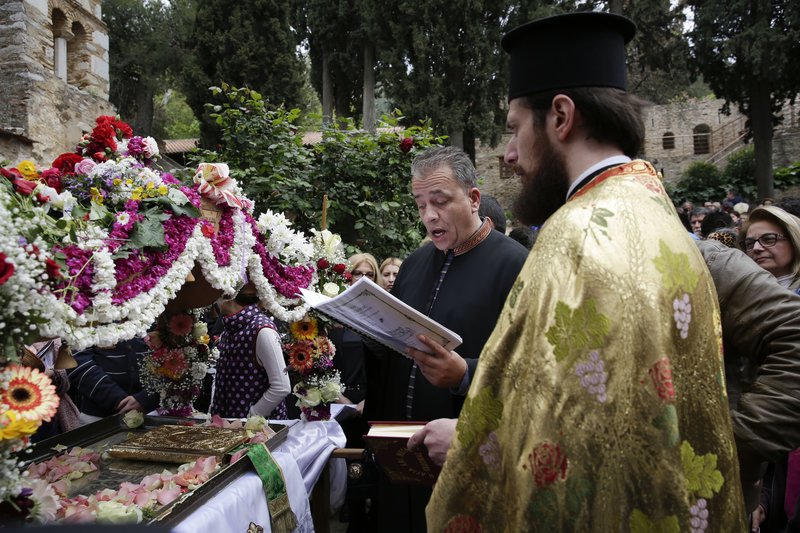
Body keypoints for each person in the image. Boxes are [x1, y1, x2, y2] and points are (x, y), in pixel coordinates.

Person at [414, 12, 745, 531]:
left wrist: (473, 443)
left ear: (561, 117)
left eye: (515, 128)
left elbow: (575, 427)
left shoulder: (577, 236)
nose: (509, 154)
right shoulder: (657, 216)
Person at [366, 145, 528, 532]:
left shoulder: (516, 266)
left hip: (466, 456)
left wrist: (465, 373)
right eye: (420, 204)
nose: (429, 216)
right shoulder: (415, 263)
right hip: (400, 454)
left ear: (473, 199)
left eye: (439, 201)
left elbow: (532, 367)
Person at [210, 289, 290, 419]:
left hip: (258, 431)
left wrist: (251, 417)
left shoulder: (263, 330)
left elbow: (281, 387)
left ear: (228, 296)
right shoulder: (229, 328)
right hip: (229, 426)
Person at [68, 338, 159, 425]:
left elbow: (167, 356)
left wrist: (145, 399)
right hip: (98, 419)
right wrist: (121, 403)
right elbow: (77, 365)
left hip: (149, 412)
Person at [739, 205, 800, 293]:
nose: (756, 248)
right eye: (749, 244)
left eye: (768, 239)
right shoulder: (739, 294)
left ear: (794, 241)